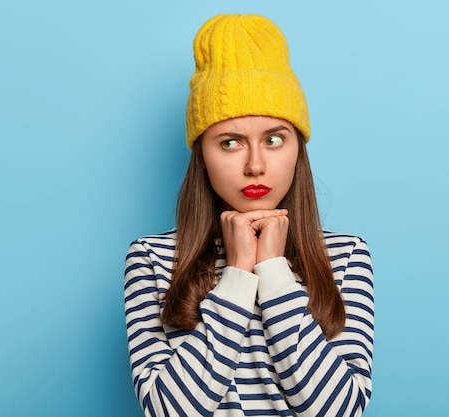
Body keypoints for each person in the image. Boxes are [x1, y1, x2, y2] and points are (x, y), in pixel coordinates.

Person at [123, 14, 374, 417]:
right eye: (230, 142)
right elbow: (168, 411)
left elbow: (338, 411)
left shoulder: (345, 256)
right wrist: (238, 274)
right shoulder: (152, 258)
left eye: (274, 140)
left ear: (298, 150)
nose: (255, 165)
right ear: (202, 155)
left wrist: (273, 269)